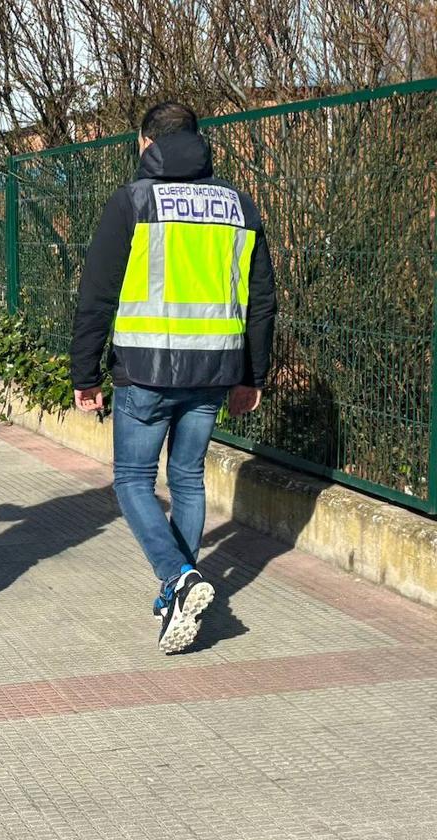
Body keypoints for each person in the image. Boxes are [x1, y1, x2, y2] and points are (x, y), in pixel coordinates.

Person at [70, 101, 277, 654]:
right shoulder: (239, 204)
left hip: (144, 372)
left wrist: (83, 372)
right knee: (186, 479)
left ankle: (179, 578)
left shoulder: (133, 201)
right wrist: (252, 375)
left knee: (133, 481)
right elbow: (262, 302)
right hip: (214, 369)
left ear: (145, 143)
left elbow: (96, 296)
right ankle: (176, 597)